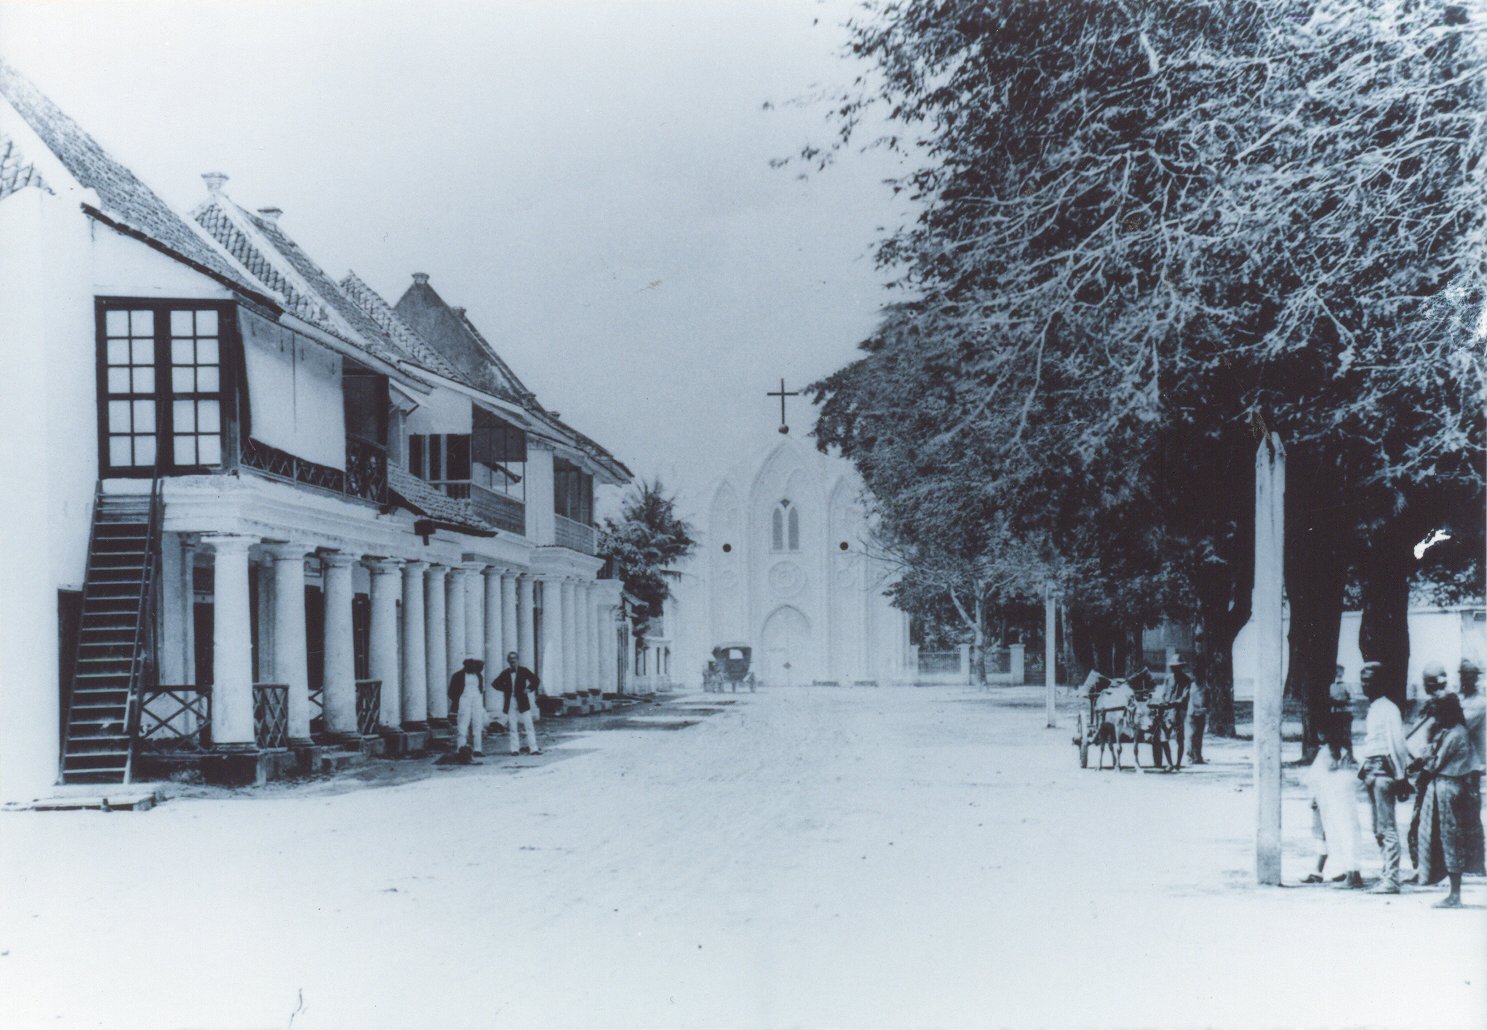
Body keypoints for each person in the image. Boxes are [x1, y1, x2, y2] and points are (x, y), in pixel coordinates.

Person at [1414, 693, 1482, 907]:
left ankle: (1455, 894)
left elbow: (1435, 764)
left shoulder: (1455, 735)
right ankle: (1451, 890)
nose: (1436, 719)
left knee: (1450, 837)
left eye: (1438, 714)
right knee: (1448, 837)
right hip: (1447, 787)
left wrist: (1421, 768)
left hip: (1449, 788)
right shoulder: (1452, 732)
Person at [1357, 661, 1412, 893]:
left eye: (1370, 681)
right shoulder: (1374, 708)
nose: (1365, 685)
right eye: (1363, 681)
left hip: (1383, 771)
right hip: (1371, 770)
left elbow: (1397, 744)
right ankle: (1386, 873)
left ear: (1381, 683)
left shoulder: (1389, 709)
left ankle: (1391, 879)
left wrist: (1401, 776)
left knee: (1387, 828)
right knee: (1378, 829)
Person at [1404, 662, 1450, 878]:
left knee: (1427, 824)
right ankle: (1425, 868)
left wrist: (1420, 762)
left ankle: (1430, 870)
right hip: (1427, 772)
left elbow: (1437, 744)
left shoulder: (1443, 706)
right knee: (1423, 824)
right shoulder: (1433, 706)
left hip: (1435, 773)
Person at [1302, 733, 1365, 888]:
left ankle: (1348, 873)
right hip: (1336, 796)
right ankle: (1345, 870)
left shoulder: (1328, 752)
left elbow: (1312, 778)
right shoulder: (1343, 751)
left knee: (1338, 833)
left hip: (1333, 796)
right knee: (1341, 833)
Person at [1456, 659, 1485, 875]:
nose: (1467, 679)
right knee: (1459, 814)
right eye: (1464, 675)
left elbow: (1460, 725)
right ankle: (1462, 861)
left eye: (1471, 675)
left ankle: (1476, 864)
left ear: (1476, 678)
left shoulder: (1480, 703)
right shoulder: (1458, 699)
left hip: (1473, 765)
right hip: (1457, 765)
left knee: (1472, 814)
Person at [492, 650, 542, 756]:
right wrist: (506, 689)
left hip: (522, 701)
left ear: (518, 660)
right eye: (510, 660)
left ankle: (533, 748)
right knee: (513, 726)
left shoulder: (524, 671)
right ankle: (515, 749)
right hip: (510, 702)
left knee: (528, 724)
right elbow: (495, 684)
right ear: (508, 661)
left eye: (514, 660)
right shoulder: (505, 673)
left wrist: (529, 689)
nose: (512, 662)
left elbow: (536, 680)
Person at [447, 657, 485, 760]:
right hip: (464, 701)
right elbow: (451, 692)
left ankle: (477, 749)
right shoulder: (457, 675)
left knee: (477, 724)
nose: (473, 667)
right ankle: (461, 749)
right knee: (462, 726)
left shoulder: (478, 676)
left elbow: (480, 689)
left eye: (474, 665)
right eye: (470, 665)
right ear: (465, 665)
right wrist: (458, 701)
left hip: (476, 701)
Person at [1328, 665, 1354, 761]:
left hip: (1345, 713)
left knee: (1346, 735)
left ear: (1343, 673)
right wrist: (1332, 702)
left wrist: (1344, 702)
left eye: (1340, 671)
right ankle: (1336, 757)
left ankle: (1349, 757)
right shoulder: (1332, 686)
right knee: (1335, 736)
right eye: (1336, 671)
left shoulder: (1347, 686)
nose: (1338, 673)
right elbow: (1330, 699)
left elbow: (1352, 699)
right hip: (1335, 714)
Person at [1183, 663, 1208, 766]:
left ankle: (1198, 757)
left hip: (1201, 714)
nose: (1198, 677)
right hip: (1191, 713)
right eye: (1196, 675)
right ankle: (1189, 756)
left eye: (1200, 675)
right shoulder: (1190, 686)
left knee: (1199, 736)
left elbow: (1208, 701)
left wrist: (1206, 709)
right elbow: (1185, 698)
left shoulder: (1205, 687)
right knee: (1190, 735)